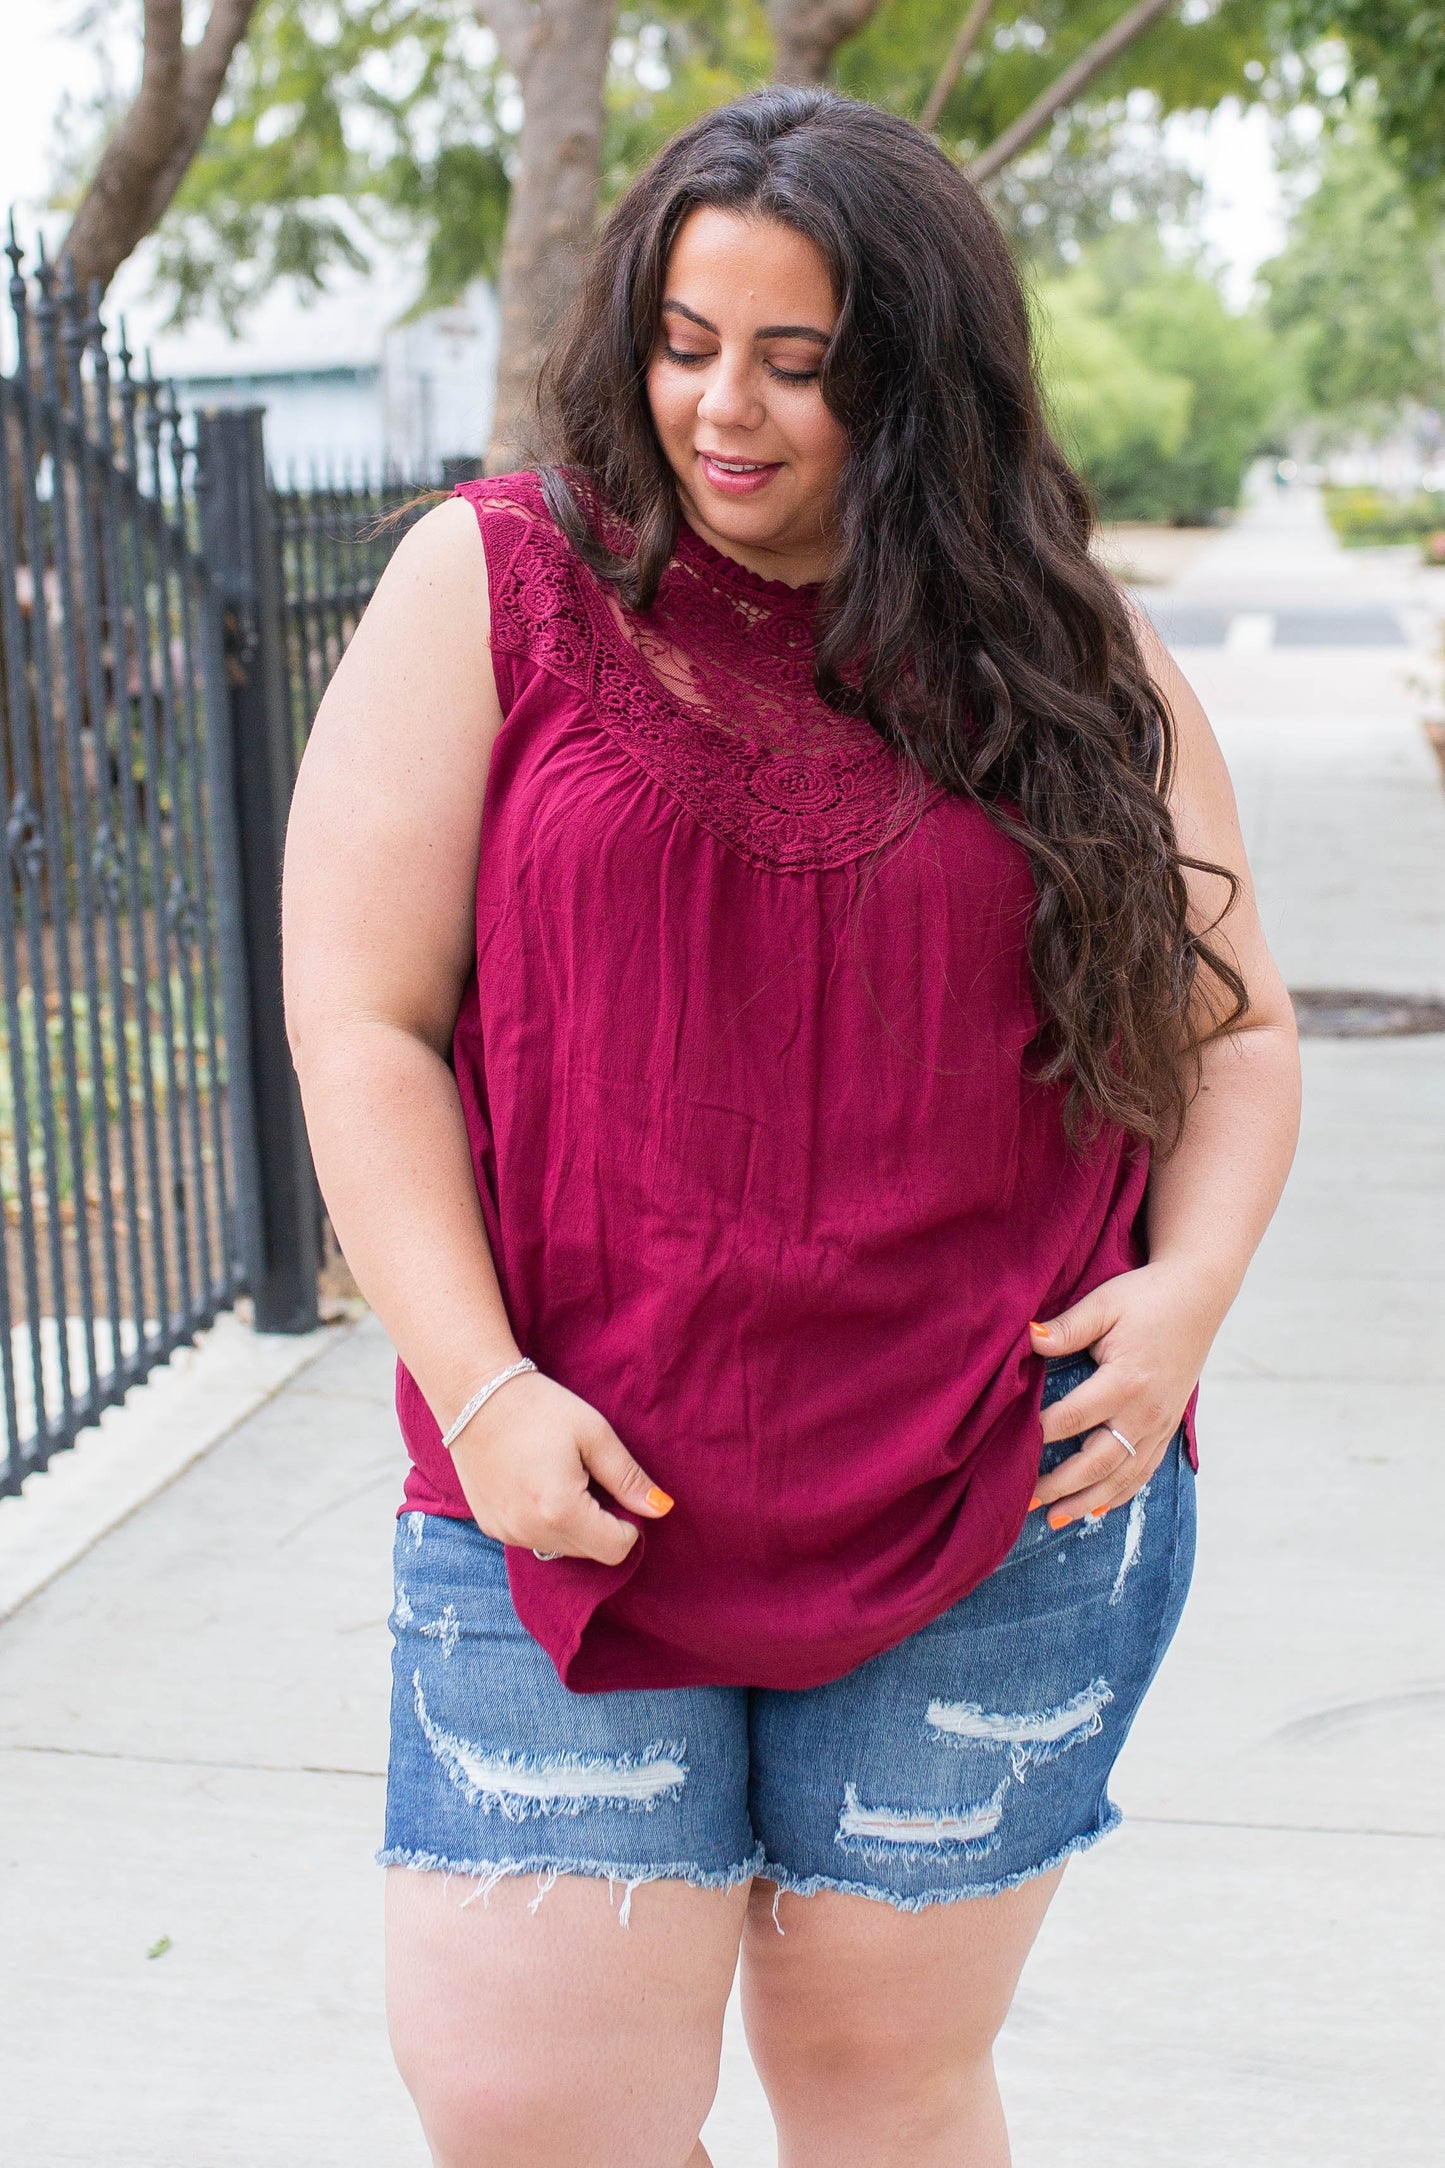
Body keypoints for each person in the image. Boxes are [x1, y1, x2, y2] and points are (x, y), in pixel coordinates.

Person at [282, 87, 1300, 2168]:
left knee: (877, 2093)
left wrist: (1186, 1297)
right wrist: (477, 1391)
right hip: (560, 1487)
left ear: (921, 380)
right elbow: (360, 1019)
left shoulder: (1067, 653)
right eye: (680, 340)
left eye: (797, 363)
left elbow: (1242, 1031)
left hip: (983, 1499)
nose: (717, 410)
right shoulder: (494, 584)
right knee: (532, 2107)